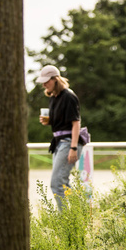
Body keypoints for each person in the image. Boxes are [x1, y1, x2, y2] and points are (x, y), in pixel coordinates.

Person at [37, 65, 88, 210]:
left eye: (47, 81)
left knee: (57, 183)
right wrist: (49, 121)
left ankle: (65, 219)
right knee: (64, 183)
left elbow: (76, 123)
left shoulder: (68, 96)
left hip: (68, 143)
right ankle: (78, 212)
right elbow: (60, 122)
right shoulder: (53, 97)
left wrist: (73, 147)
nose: (44, 84)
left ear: (55, 79)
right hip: (58, 142)